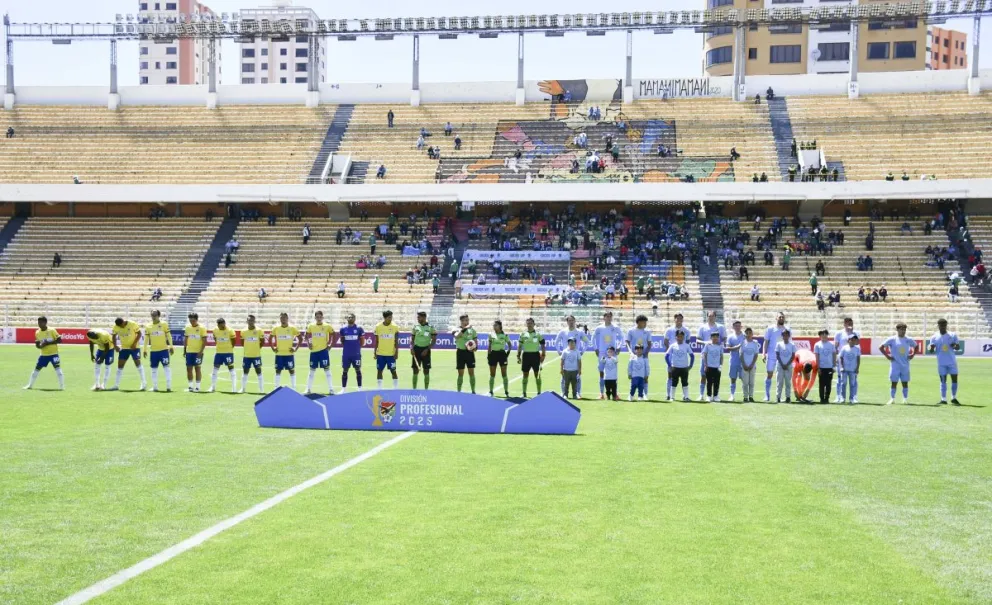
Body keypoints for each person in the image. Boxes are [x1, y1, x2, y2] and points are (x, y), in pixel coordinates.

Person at [24, 316, 64, 390]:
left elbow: (59, 340)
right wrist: (37, 345)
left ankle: (62, 387)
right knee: (36, 370)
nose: (39, 324)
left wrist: (48, 343)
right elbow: (40, 346)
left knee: (58, 371)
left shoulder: (52, 330)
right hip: (43, 355)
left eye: (41, 322)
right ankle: (30, 385)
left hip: (54, 354)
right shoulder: (37, 332)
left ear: (45, 323)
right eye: (38, 322)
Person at [880, 322, 915, 405]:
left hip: (905, 365)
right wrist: (887, 356)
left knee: (905, 382)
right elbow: (881, 347)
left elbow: (915, 346)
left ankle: (905, 399)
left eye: (904, 329)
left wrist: (913, 354)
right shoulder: (892, 339)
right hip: (895, 365)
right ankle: (892, 399)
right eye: (901, 329)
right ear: (897, 330)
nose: (903, 331)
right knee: (894, 382)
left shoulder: (908, 339)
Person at [593, 311, 625, 400]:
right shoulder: (599, 328)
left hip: (613, 353)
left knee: (614, 373)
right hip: (602, 353)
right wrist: (595, 348)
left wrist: (619, 347)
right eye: (607, 316)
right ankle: (601, 393)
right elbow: (593, 338)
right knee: (601, 373)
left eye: (610, 316)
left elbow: (622, 337)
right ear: (604, 318)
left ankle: (615, 394)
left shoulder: (615, 327)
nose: (608, 318)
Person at [929, 318, 961, 405]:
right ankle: (943, 399)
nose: (943, 327)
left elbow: (958, 347)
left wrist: (954, 345)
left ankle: (953, 398)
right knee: (943, 381)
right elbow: (931, 351)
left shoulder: (952, 335)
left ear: (946, 325)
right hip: (941, 363)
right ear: (938, 326)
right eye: (941, 325)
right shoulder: (934, 337)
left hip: (952, 362)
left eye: (944, 325)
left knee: (954, 380)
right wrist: (931, 348)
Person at [695, 311, 725, 400]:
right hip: (705, 356)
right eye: (709, 316)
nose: (711, 317)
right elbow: (697, 340)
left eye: (712, 316)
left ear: (715, 317)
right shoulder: (702, 327)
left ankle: (715, 395)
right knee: (703, 375)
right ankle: (701, 394)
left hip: (715, 357)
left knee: (716, 378)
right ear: (707, 317)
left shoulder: (720, 327)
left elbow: (724, 338)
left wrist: (719, 344)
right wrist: (705, 342)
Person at [556, 315, 588, 397]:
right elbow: (557, 341)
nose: (571, 322)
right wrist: (559, 351)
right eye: (569, 320)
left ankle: (578, 392)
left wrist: (582, 351)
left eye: (572, 320)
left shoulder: (579, 332)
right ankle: (563, 393)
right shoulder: (563, 332)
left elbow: (586, 341)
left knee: (577, 376)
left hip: (576, 357)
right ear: (567, 322)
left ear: (575, 321)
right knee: (563, 376)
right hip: (565, 357)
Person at [112, 316, 147, 391]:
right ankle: (116, 385)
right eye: (119, 326)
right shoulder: (116, 327)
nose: (121, 327)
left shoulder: (132, 324)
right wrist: (115, 346)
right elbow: (114, 336)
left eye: (121, 325)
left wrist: (134, 344)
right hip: (124, 348)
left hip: (134, 348)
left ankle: (144, 384)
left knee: (138, 364)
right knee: (120, 366)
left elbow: (139, 334)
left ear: (123, 322)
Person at [305, 311, 336, 395]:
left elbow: (334, 334)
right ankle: (308, 389)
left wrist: (330, 345)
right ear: (315, 318)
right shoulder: (311, 326)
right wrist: (309, 344)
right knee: (311, 371)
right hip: (314, 352)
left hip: (323, 351)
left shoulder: (327, 326)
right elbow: (306, 335)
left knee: (327, 370)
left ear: (322, 317)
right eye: (317, 317)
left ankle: (331, 389)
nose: (318, 318)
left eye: (320, 317)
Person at [143, 310, 174, 393]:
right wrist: (144, 349)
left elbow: (169, 336)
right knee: (153, 369)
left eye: (155, 315)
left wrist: (171, 346)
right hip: (153, 352)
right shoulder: (148, 326)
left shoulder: (164, 324)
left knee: (166, 368)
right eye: (152, 315)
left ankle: (168, 387)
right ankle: (155, 387)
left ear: (158, 315)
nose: (153, 316)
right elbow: (146, 339)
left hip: (163, 351)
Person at [762, 313, 790, 402]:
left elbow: (789, 343)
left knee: (781, 377)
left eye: (783, 317)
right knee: (769, 374)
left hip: (782, 358)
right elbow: (766, 342)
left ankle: (779, 396)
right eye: (780, 317)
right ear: (776, 318)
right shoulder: (770, 329)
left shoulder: (787, 329)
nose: (781, 318)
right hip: (771, 355)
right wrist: (764, 353)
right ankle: (767, 395)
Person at [271, 312, 302, 391]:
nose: (283, 319)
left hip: (289, 354)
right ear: (280, 319)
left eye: (284, 318)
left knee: (291, 370)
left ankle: (294, 388)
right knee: (278, 370)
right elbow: (270, 338)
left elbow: (301, 338)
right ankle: (276, 387)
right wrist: (273, 347)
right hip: (279, 354)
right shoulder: (276, 328)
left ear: (287, 318)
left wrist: (295, 348)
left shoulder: (292, 328)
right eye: (281, 318)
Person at [517, 317, 545, 398]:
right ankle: (524, 393)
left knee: (537, 374)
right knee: (525, 374)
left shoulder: (538, 334)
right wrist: (518, 356)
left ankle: (539, 393)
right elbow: (520, 345)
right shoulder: (523, 334)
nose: (529, 325)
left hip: (535, 356)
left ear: (534, 324)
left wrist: (543, 355)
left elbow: (543, 345)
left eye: (530, 323)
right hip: (526, 356)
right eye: (528, 323)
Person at [833, 317, 859, 403]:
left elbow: (858, 343)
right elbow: (836, 346)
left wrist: (852, 332)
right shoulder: (839, 333)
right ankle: (839, 396)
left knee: (854, 379)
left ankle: (854, 397)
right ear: (844, 324)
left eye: (851, 323)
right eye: (847, 323)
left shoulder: (856, 333)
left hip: (852, 360)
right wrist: (836, 358)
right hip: (842, 359)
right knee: (840, 379)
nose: (849, 325)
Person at [373, 310, 401, 390]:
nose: (391, 319)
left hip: (391, 354)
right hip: (380, 354)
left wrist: (396, 352)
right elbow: (377, 341)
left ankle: (395, 388)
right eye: (389, 317)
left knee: (393, 371)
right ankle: (379, 388)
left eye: (391, 317)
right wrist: (375, 352)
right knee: (379, 371)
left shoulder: (395, 327)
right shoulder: (378, 327)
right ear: (385, 318)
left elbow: (396, 341)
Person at [209, 318, 238, 394]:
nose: (219, 327)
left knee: (231, 369)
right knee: (215, 369)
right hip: (218, 353)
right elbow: (215, 338)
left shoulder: (230, 330)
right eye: (218, 325)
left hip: (228, 352)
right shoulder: (215, 330)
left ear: (224, 323)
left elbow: (234, 341)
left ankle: (234, 388)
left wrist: (230, 347)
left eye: (221, 325)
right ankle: (213, 387)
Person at [663, 330, 694, 402]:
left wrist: (690, 365)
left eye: (681, 336)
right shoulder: (673, 346)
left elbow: (692, 356)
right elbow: (666, 356)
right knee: (674, 382)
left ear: (684, 337)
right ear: (676, 337)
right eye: (678, 336)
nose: (680, 338)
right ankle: (672, 397)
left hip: (684, 368)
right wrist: (670, 365)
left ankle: (686, 397)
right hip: (675, 367)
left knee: (685, 382)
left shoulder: (686, 346)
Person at [411, 311, 437, 390]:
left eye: (419, 317)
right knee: (415, 371)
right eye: (417, 317)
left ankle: (426, 390)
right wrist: (411, 348)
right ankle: (414, 389)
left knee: (426, 371)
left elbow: (433, 340)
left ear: (424, 317)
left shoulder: (431, 327)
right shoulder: (415, 327)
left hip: (426, 350)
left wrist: (427, 349)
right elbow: (412, 339)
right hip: (416, 350)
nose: (417, 319)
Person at [239, 314, 265, 394]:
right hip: (247, 355)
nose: (251, 322)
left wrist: (257, 348)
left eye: (252, 320)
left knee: (259, 371)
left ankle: (261, 390)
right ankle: (243, 389)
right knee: (245, 372)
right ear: (247, 321)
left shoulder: (259, 330)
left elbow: (262, 342)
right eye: (249, 320)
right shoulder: (243, 331)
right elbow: (242, 342)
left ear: (254, 321)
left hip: (256, 355)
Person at [453, 314, 479, 393]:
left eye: (468, 320)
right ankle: (459, 391)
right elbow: (457, 336)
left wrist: (475, 348)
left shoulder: (472, 330)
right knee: (460, 373)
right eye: (465, 320)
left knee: (471, 372)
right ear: (461, 321)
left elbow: (475, 341)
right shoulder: (456, 329)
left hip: (469, 353)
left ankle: (473, 391)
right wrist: (465, 328)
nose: (467, 322)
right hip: (460, 353)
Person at [339, 313, 365, 391]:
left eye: (352, 317)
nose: (350, 318)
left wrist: (356, 348)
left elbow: (362, 341)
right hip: (346, 354)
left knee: (358, 370)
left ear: (355, 318)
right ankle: (343, 389)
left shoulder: (359, 328)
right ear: (347, 319)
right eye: (349, 317)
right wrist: (348, 347)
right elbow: (342, 341)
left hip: (356, 354)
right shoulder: (343, 329)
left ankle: (359, 388)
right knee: (345, 370)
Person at [183, 313, 207, 393]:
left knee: (197, 368)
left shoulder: (202, 328)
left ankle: (197, 387)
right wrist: (184, 350)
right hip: (189, 352)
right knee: (188, 369)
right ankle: (190, 387)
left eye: (193, 320)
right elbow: (186, 339)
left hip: (198, 352)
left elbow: (204, 341)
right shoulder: (187, 328)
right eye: (190, 320)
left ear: (196, 319)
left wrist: (201, 352)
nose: (191, 322)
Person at [488, 320, 511, 397]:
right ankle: (491, 391)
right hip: (493, 354)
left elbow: (510, 345)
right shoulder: (491, 335)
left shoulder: (505, 335)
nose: (494, 327)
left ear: (500, 326)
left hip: (502, 354)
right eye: (493, 325)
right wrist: (489, 355)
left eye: (495, 325)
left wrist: (507, 353)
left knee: (504, 373)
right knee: (492, 374)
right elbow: (489, 345)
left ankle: (506, 391)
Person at [813, 329, 837, 404]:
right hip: (821, 367)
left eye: (825, 334)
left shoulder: (831, 344)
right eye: (822, 334)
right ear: (820, 335)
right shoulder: (817, 345)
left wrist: (834, 366)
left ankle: (827, 398)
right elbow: (817, 356)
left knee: (828, 384)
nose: (824, 335)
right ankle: (822, 399)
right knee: (821, 384)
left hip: (829, 367)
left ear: (827, 335)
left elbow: (834, 355)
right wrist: (818, 367)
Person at [739, 328, 761, 403]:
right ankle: (745, 397)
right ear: (745, 334)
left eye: (750, 333)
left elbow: (756, 355)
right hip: (744, 366)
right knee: (745, 383)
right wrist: (744, 364)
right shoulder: (742, 343)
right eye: (747, 333)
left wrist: (752, 364)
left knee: (751, 382)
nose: (748, 335)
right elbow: (741, 355)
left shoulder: (755, 343)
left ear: (752, 334)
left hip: (752, 366)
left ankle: (751, 396)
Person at [725, 321, 745, 402]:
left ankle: (745, 395)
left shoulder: (744, 336)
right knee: (733, 378)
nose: (737, 327)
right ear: (733, 327)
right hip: (733, 360)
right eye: (736, 326)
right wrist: (736, 347)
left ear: (741, 326)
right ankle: (732, 395)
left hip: (743, 361)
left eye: (739, 326)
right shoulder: (730, 337)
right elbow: (727, 348)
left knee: (744, 379)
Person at [775, 329, 797, 403]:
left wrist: (787, 364)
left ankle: (788, 397)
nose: (785, 336)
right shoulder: (779, 344)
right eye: (784, 334)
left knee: (788, 382)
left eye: (787, 334)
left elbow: (793, 356)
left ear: (789, 336)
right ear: (782, 336)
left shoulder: (792, 345)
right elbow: (777, 355)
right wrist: (782, 364)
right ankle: (778, 397)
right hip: (780, 366)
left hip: (788, 366)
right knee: (779, 382)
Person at [701, 332, 724, 403]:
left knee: (717, 382)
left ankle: (716, 396)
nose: (715, 338)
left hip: (717, 367)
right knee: (709, 382)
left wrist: (720, 365)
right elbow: (704, 355)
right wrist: (705, 365)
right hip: (709, 367)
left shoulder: (720, 346)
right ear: (711, 338)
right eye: (714, 337)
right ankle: (709, 396)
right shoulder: (708, 345)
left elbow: (721, 356)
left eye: (717, 337)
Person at [839, 335, 861, 404]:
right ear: (848, 340)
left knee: (852, 384)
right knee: (843, 384)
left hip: (853, 370)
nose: (853, 341)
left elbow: (858, 359)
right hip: (845, 370)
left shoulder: (857, 349)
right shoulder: (844, 348)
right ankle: (843, 398)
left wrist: (857, 368)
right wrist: (842, 367)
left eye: (854, 340)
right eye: (851, 340)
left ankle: (852, 398)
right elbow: (841, 357)